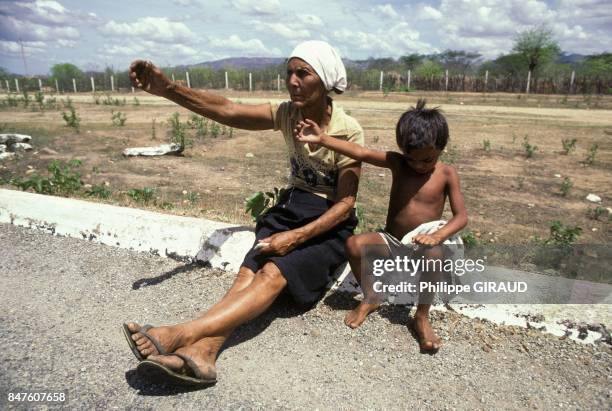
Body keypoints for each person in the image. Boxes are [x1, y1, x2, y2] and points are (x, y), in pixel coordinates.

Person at [122, 40, 364, 386]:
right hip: (291, 208)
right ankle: (203, 354)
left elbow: (346, 204)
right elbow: (228, 110)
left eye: (303, 73)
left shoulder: (347, 129)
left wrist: (292, 238)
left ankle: (180, 333)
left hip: (327, 222)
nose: (292, 81)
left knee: (271, 274)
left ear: (324, 81)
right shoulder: (287, 113)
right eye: (289, 73)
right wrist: (168, 89)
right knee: (246, 276)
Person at [294, 99, 468, 352]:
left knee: (434, 255)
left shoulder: (446, 174)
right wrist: (323, 139)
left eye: (427, 160)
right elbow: (361, 153)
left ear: (441, 149)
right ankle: (372, 296)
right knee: (354, 244)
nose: (418, 166)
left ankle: (421, 316)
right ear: (403, 152)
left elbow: (461, 217)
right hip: (392, 241)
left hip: (423, 245)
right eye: (412, 160)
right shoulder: (398, 163)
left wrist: (438, 236)